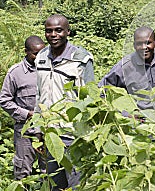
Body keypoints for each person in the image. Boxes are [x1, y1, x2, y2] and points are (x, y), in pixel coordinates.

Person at [34, 14, 94, 190]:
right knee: (55, 184)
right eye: (49, 31)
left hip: (74, 135)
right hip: (51, 133)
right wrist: (38, 128)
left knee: (76, 184)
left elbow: (90, 96)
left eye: (58, 30)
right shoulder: (41, 57)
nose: (53, 35)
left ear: (68, 31)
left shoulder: (81, 59)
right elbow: (39, 94)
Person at [99, 26, 155, 110]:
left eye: (148, 43)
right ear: (134, 45)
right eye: (139, 44)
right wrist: (123, 113)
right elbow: (102, 90)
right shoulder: (125, 66)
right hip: (138, 118)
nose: (144, 47)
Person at [0, 36, 45, 180]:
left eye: (42, 52)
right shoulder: (16, 73)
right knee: (22, 173)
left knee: (50, 173)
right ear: (26, 52)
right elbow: (5, 100)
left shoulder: (49, 69)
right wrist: (27, 114)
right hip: (25, 133)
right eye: (35, 53)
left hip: (47, 130)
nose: (39, 57)